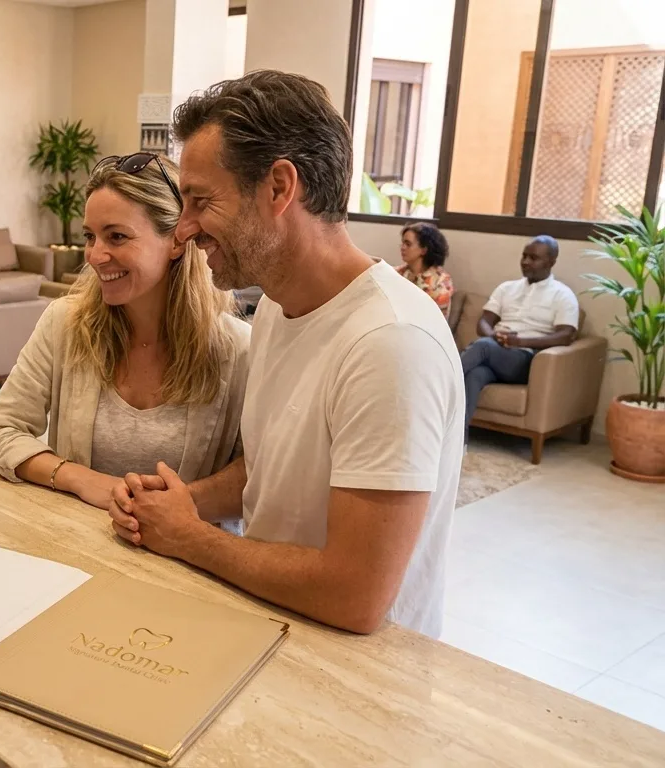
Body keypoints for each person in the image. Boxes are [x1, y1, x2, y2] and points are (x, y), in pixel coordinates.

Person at [109, 71, 464, 638]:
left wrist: (191, 538)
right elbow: (273, 468)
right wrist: (182, 502)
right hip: (274, 626)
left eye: (201, 201)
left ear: (278, 188)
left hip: (357, 679)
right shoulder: (275, 307)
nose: (185, 229)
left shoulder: (391, 345)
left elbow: (357, 595)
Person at [0, 153, 249, 516]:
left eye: (117, 236)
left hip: (186, 564)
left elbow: (257, 474)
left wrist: (165, 508)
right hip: (78, 549)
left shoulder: (239, 350)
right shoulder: (66, 324)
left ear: (178, 241)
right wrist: (80, 478)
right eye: (90, 236)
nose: (95, 256)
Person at [462, 235, 578, 431]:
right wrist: (493, 336)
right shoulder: (506, 288)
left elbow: (566, 336)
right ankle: (457, 441)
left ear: (551, 262)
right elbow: (484, 322)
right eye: (524, 256)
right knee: (475, 375)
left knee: (482, 346)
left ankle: (437, 381)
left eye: (533, 258)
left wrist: (520, 342)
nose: (525, 262)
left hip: (524, 360)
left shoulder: (562, 295)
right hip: (495, 349)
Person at [397, 221, 454, 317]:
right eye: (402, 243)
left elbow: (434, 320)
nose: (402, 247)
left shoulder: (441, 283)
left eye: (408, 244)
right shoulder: (397, 273)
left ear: (424, 250)